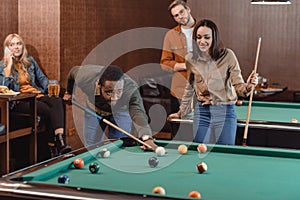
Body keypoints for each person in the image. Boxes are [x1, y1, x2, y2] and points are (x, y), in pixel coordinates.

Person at [168, 19, 258, 145]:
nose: (202, 41)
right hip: (202, 112)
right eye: (198, 37)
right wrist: (181, 113)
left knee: (225, 153)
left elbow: (238, 86)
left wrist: (249, 86)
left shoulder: (228, 56)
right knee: (201, 152)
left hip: (225, 112)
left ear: (214, 38)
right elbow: (190, 89)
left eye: (207, 37)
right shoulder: (191, 58)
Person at [0, 33, 71, 157]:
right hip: (20, 101)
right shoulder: (2, 66)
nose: (16, 47)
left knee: (57, 101)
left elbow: (43, 80)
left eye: (19, 44)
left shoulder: (29, 61)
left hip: (36, 95)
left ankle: (60, 142)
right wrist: (9, 66)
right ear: (7, 48)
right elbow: (3, 88)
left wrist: (55, 88)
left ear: (22, 46)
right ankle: (54, 144)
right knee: (49, 110)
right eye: (12, 45)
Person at [63, 65, 157, 151]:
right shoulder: (85, 77)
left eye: (119, 91)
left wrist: (146, 137)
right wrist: (69, 92)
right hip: (94, 109)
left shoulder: (131, 90)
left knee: (118, 146)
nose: (114, 97)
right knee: (91, 146)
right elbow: (72, 72)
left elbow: (138, 114)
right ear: (98, 85)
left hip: (120, 111)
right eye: (109, 92)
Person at [160, 0, 197, 113]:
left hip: (204, 90)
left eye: (182, 12)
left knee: (202, 128)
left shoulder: (205, 28)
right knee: (180, 129)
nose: (180, 16)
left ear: (188, 9)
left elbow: (218, 56)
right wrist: (186, 65)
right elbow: (164, 63)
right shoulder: (170, 35)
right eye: (176, 15)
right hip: (180, 90)